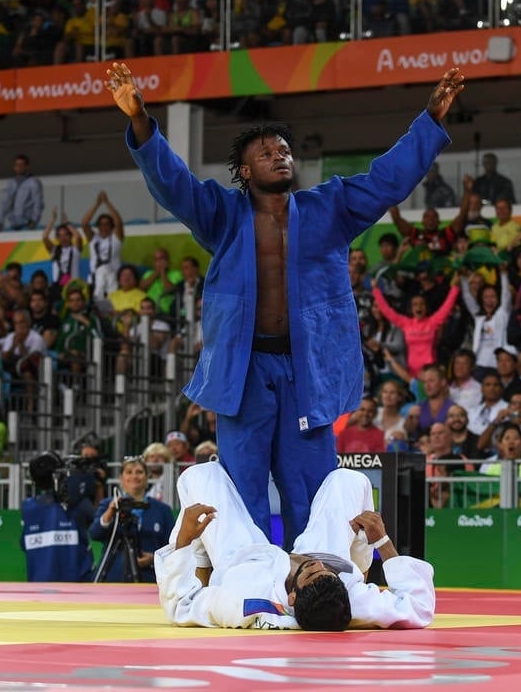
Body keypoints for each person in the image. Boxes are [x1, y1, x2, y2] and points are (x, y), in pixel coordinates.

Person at [108, 61, 464, 548]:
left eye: (285, 149)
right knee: (243, 486)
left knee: (310, 489)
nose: (280, 156)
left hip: (306, 370)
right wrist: (141, 120)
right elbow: (174, 184)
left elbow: (387, 180)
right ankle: (251, 582)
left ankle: (316, 578)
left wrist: (430, 120)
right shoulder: (222, 213)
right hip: (245, 368)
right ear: (245, 170)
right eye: (267, 152)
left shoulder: (330, 207)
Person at [154, 460, 435, 630]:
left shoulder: (245, 603)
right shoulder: (349, 603)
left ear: (291, 599)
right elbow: (420, 607)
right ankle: (358, 568)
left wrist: (185, 541)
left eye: (312, 572)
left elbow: (181, 605)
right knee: (349, 480)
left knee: (200, 475)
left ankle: (204, 562)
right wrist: (382, 542)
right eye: (326, 572)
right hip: (320, 549)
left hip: (244, 559)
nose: (319, 568)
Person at [88, 456, 174, 582]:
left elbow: (172, 547)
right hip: (113, 579)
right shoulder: (108, 505)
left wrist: (154, 559)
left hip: (150, 579)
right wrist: (110, 511)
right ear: (121, 479)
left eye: (139, 472)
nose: (134, 476)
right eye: (129, 472)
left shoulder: (162, 510)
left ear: (147, 478)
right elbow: (94, 534)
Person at [21, 452, 94, 582]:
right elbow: (98, 523)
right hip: (77, 587)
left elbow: (23, 545)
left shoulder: (27, 508)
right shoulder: (78, 505)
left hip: (38, 585)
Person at [81, 191, 125, 301]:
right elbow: (84, 223)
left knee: (112, 307)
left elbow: (119, 222)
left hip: (113, 279)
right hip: (95, 280)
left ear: (111, 226)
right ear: (98, 226)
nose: (104, 226)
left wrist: (107, 203)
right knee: (97, 308)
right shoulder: (94, 239)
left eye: (107, 224)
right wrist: (97, 204)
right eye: (101, 224)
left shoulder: (116, 239)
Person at [0, 154, 45, 231]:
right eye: (17, 165)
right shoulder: (11, 183)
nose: (19, 167)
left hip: (28, 223)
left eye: (21, 165)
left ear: (26, 166)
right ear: (14, 167)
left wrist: (34, 220)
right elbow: (5, 203)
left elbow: (38, 203)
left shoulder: (33, 182)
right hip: (13, 222)